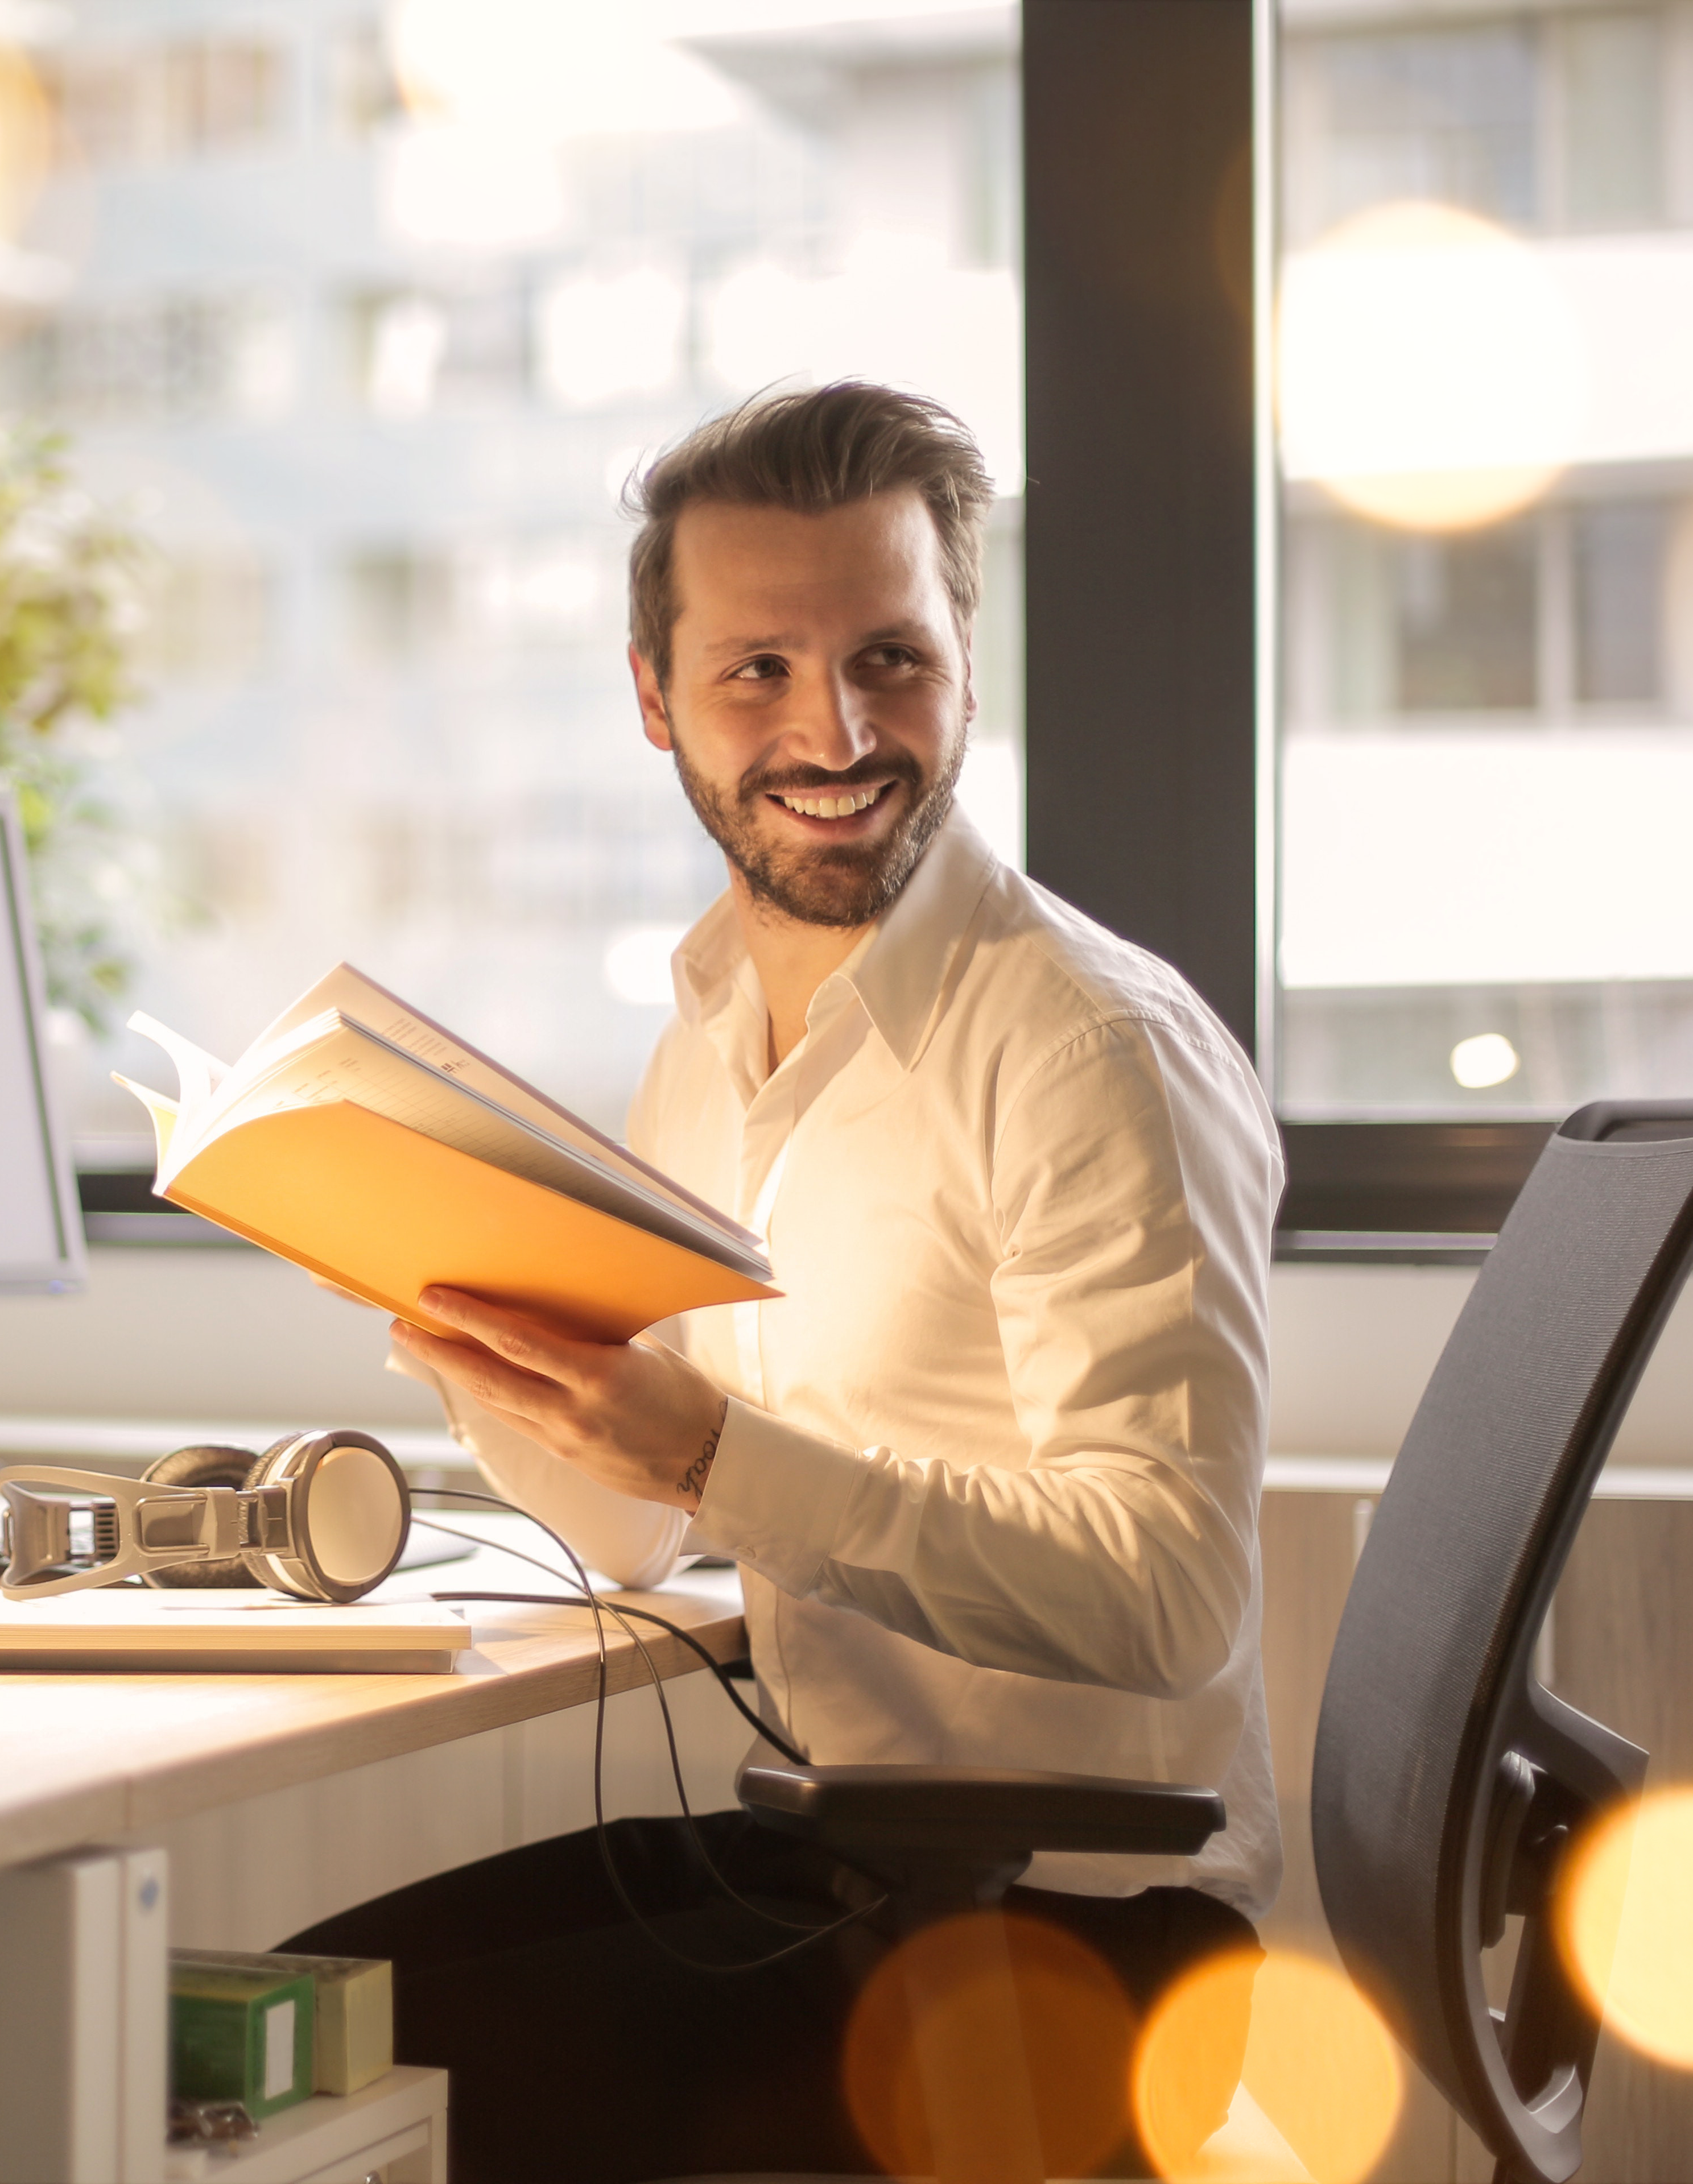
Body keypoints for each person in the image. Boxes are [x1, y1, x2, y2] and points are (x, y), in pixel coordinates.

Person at [284, 381, 1282, 2182]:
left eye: (890, 658)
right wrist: (477, 1342)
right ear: (654, 699)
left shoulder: (1086, 1046)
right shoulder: (713, 1030)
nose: (835, 731)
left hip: (1082, 1938)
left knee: (331, 2109)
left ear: (967, 662)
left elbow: (1168, 1594)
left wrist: (710, 1454)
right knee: (287, 2023)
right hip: (848, 1866)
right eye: (758, 671)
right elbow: (639, 1537)